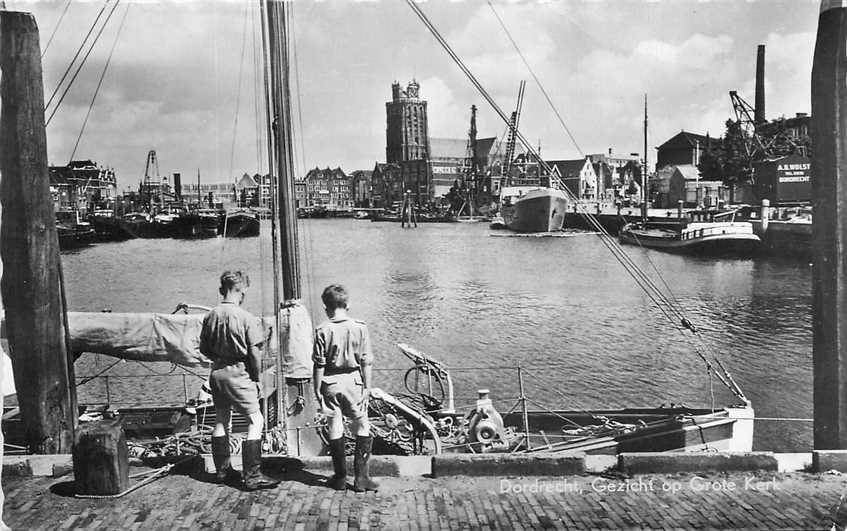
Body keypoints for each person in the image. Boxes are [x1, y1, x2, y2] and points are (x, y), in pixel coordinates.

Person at [199, 271, 278, 491]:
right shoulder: (246, 317)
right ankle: (252, 476)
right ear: (241, 291)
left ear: (221, 289)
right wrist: (257, 377)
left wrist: (219, 359)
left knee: (222, 420)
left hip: (217, 374)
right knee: (257, 421)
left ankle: (223, 472)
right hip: (239, 373)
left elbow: (203, 348)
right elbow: (254, 353)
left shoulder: (210, 316)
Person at [312, 284, 378, 492]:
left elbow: (319, 364)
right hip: (354, 383)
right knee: (362, 426)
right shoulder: (360, 327)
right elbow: (366, 361)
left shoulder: (322, 330)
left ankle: (340, 478)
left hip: (330, 383)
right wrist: (367, 387)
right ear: (347, 305)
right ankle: (361, 479)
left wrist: (317, 389)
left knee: (335, 426)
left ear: (326, 307)